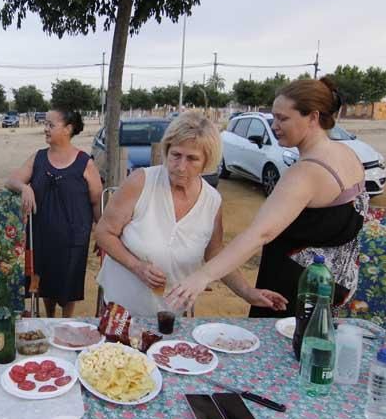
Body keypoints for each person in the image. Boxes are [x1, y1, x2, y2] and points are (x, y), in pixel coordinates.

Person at [165, 77, 369, 316]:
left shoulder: (305, 172)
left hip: (296, 295)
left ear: (313, 117)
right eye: (274, 117)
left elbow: (260, 233)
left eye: (283, 118)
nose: (274, 126)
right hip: (335, 289)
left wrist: (202, 276)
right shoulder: (348, 154)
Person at [95, 113, 286, 317]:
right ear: (167, 151)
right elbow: (104, 233)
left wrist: (247, 292)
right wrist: (138, 267)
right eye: (176, 155)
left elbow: (214, 254)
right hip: (120, 311)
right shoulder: (141, 182)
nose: (181, 166)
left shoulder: (212, 201)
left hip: (171, 314)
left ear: (207, 161)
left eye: (192, 158)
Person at [6, 106, 103, 318]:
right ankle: (49, 319)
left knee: (69, 284)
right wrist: (25, 187)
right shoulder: (38, 158)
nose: (45, 129)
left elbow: (96, 201)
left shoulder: (84, 162)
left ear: (68, 129)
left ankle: (66, 321)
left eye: (51, 125)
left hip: (73, 237)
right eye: (45, 124)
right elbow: (12, 180)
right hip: (41, 235)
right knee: (44, 283)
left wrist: (102, 236)